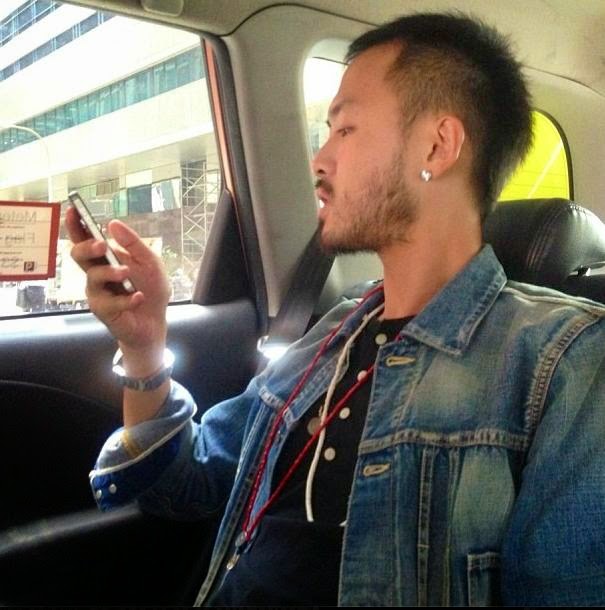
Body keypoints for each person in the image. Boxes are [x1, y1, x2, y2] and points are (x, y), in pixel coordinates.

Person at [67, 12, 605, 607]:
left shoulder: (563, 358)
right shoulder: (332, 335)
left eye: (345, 129)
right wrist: (143, 346)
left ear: (437, 145)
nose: (320, 161)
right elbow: (183, 486)